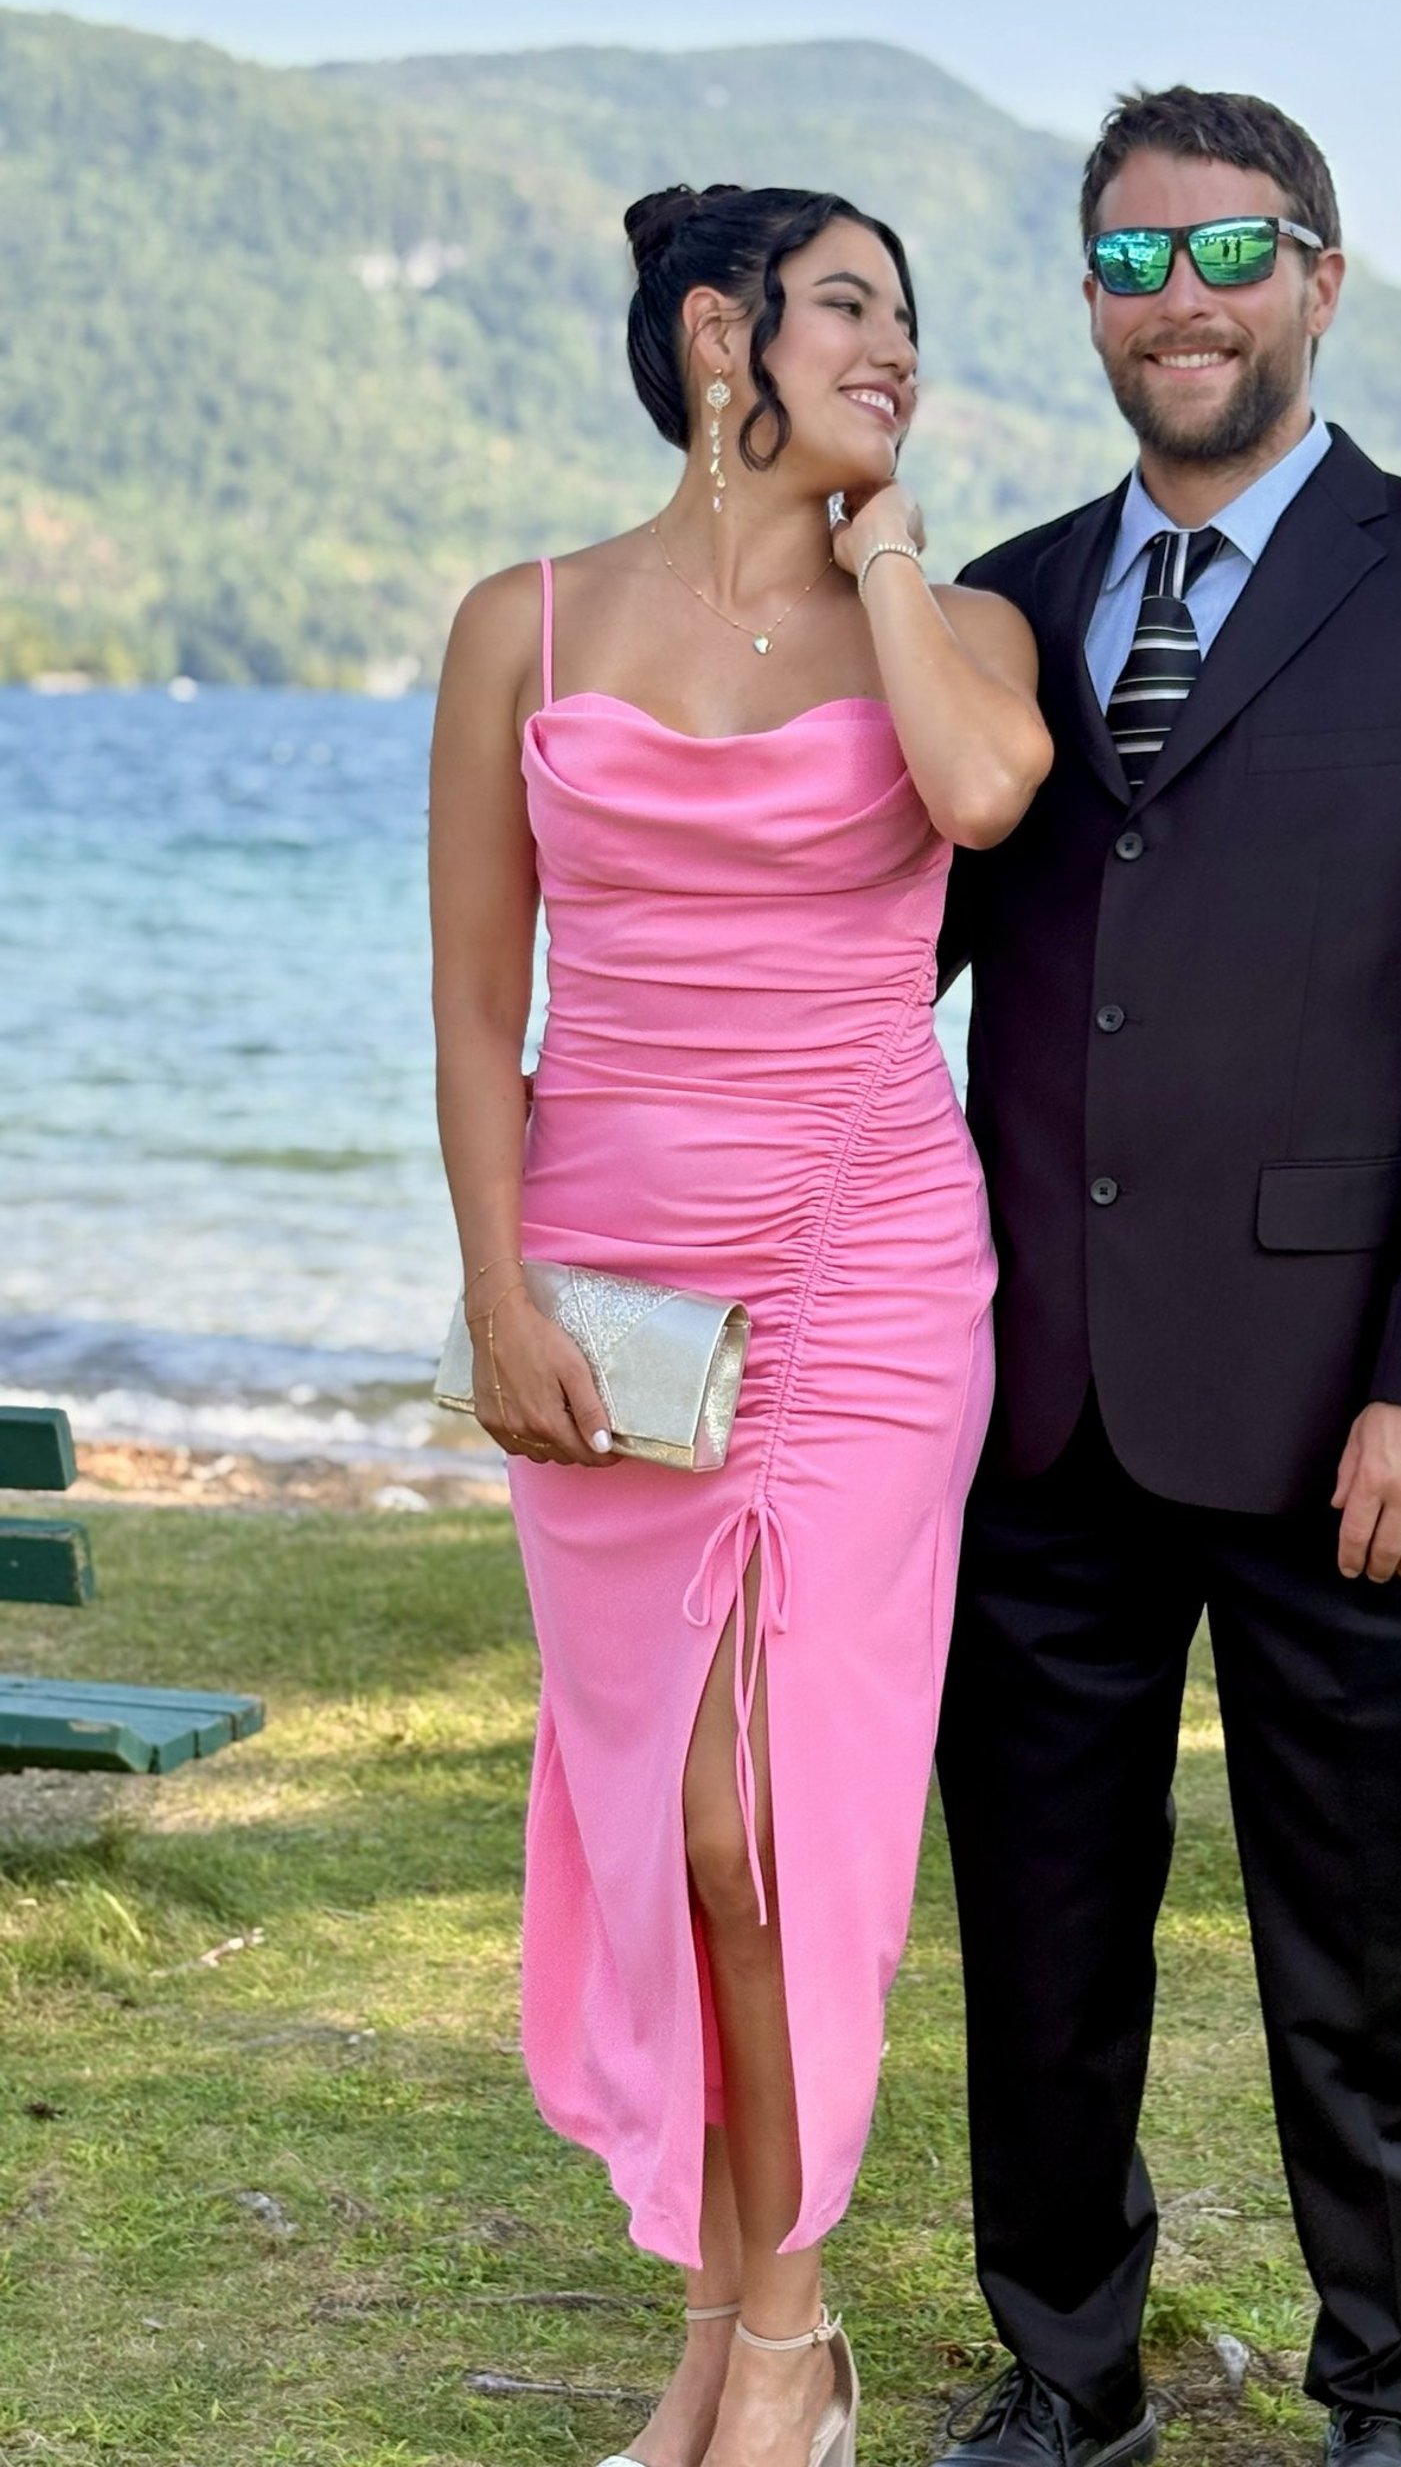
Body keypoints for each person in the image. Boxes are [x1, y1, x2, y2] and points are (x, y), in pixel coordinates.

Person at [933, 88, 1401, 2467]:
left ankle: (1391, 2392)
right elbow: (864, 965)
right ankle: (1067, 2369)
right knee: (1041, 1938)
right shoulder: (998, 604)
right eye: (1135, 261)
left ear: (1322, 278)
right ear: (1089, 302)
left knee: (1370, 1944)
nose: (1184, 300)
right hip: (1033, 1400)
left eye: (1231, 251)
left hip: (1349, 1416)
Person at [429, 180, 1049, 2467]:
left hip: (867, 1268)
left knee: (775, 1820)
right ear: (722, 334)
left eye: (910, 319)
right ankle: (720, 2329)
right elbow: (477, 1004)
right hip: (611, 1293)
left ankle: (786, 2349)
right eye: (848, 307)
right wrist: (497, 1290)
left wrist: (885, 559)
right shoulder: (523, 624)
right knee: (674, 1825)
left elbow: (981, 792)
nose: (896, 347)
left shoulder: (956, 626)